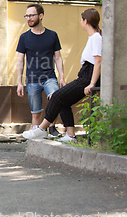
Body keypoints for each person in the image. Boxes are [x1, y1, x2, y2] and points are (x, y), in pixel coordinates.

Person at [22, 8, 102, 143]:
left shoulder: (96, 38)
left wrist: (92, 83)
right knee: (63, 100)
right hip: (85, 75)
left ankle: (42, 129)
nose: (80, 22)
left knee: (57, 96)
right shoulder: (93, 38)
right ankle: (71, 135)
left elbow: (98, 62)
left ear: (86, 21)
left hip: (87, 77)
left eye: (82, 19)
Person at [16, 4, 66, 137]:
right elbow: (20, 61)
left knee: (56, 98)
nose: (29, 18)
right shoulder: (24, 37)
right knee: (36, 112)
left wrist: (62, 77)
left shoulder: (52, 35)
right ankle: (35, 137)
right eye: (27, 16)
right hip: (32, 79)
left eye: (31, 15)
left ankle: (51, 127)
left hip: (49, 77)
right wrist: (19, 82)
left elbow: (58, 58)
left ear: (41, 16)